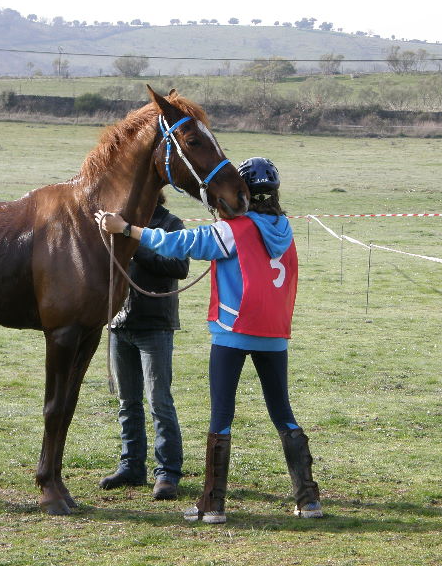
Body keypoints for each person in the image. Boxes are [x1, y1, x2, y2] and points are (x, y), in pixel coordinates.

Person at [95, 157, 322, 523]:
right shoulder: (285, 229)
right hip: (274, 334)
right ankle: (308, 499)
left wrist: (126, 230)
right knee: (283, 414)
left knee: (222, 417)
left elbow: (174, 244)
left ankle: (212, 504)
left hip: (233, 332)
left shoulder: (234, 230)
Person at [98, 192, 190, 500]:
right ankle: (132, 466)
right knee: (128, 402)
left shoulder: (170, 224)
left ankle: (167, 473)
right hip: (119, 321)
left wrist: (133, 244)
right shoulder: (117, 223)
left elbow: (179, 266)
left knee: (159, 402)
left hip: (154, 324)